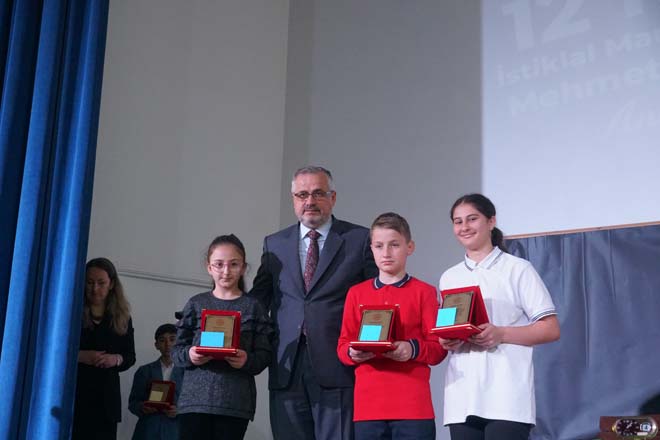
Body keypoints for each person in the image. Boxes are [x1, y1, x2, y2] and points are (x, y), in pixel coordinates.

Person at [250, 165, 378, 440]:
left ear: (333, 198)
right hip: (286, 368)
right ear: (293, 199)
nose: (310, 202)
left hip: (339, 367)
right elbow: (259, 301)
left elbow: (375, 299)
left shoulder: (358, 239)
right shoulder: (275, 244)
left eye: (318, 193)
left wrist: (369, 341)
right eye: (302, 194)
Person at [438, 194, 561, 440]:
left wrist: (501, 333)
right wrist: (448, 340)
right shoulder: (449, 277)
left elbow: (550, 329)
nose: (464, 227)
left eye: (472, 219)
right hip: (462, 397)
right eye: (458, 221)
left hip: (506, 395)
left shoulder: (518, 269)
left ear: (491, 221)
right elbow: (451, 328)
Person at [337, 212, 447, 440]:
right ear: (371, 249)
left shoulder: (424, 293)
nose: (386, 253)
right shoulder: (356, 293)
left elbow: (438, 349)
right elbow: (342, 346)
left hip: (414, 408)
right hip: (367, 409)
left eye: (394, 245)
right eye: (379, 246)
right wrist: (353, 352)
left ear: (410, 247)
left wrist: (412, 349)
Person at [172, 234, 273, 440]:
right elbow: (176, 350)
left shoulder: (254, 307)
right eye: (219, 264)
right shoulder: (195, 303)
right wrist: (190, 355)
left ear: (244, 267)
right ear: (209, 267)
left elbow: (264, 354)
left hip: (235, 403)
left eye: (234, 264)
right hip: (194, 402)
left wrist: (247, 360)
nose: (226, 271)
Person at [73, 257, 136, 440]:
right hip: (76, 395)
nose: (94, 288)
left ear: (111, 284)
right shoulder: (71, 311)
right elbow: (53, 352)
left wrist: (115, 359)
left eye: (101, 283)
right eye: (90, 282)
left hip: (106, 401)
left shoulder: (122, 316)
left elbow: (129, 357)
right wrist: (80, 356)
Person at [128, 323, 184, 440]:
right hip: (149, 429)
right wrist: (142, 407)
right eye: (162, 340)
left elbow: (194, 403)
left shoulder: (187, 372)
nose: (168, 344)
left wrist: (180, 410)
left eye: (172, 339)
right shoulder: (145, 371)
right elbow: (133, 403)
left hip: (177, 430)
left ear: (178, 342)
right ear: (156, 345)